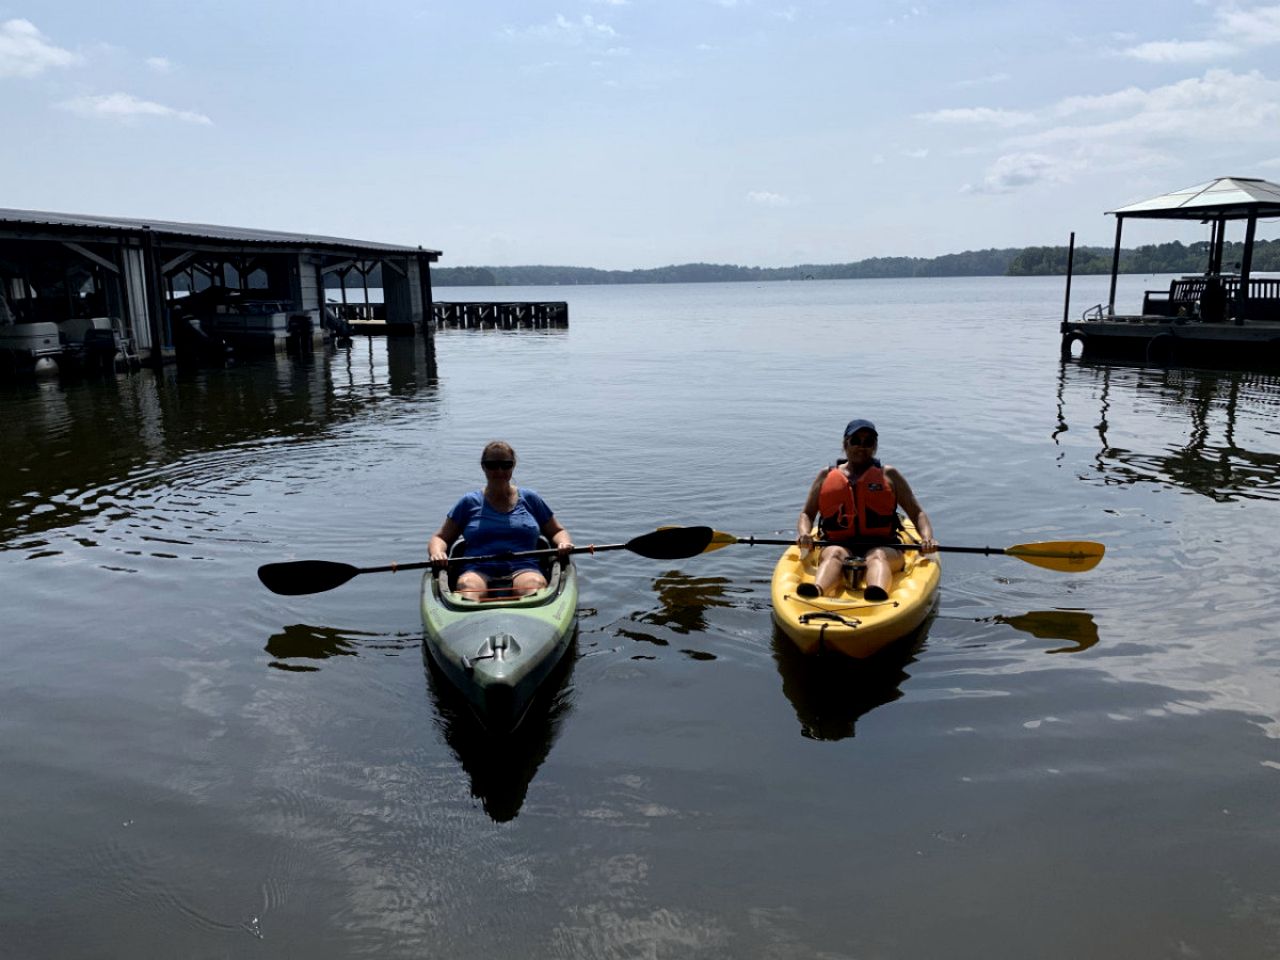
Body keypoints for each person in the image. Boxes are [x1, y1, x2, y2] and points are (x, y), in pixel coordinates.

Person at [795, 419, 936, 600]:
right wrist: (804, 534)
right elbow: (807, 514)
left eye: (868, 442)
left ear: (874, 446)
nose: (862, 447)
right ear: (845, 443)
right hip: (838, 543)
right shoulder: (826, 475)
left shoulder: (889, 475)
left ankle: (877, 593)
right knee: (834, 554)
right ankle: (817, 590)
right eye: (856, 441)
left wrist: (927, 538)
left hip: (885, 545)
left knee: (876, 555)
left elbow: (918, 514)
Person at [428, 441, 573, 600]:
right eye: (492, 465)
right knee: (467, 586)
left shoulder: (531, 499)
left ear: (513, 466)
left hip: (525, 568)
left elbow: (558, 531)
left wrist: (563, 543)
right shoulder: (468, 502)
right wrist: (438, 553)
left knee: (532, 584)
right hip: (477, 569)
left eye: (506, 465)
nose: (499, 470)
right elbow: (440, 538)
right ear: (483, 467)